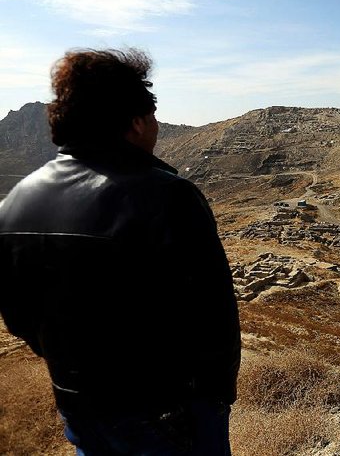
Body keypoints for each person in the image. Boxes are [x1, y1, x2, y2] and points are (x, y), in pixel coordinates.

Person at [0, 48, 241, 455]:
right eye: (152, 117)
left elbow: (20, 318)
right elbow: (213, 314)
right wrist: (214, 397)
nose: (157, 126)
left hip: (79, 407)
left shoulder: (16, 201)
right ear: (135, 123)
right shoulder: (167, 196)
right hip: (169, 411)